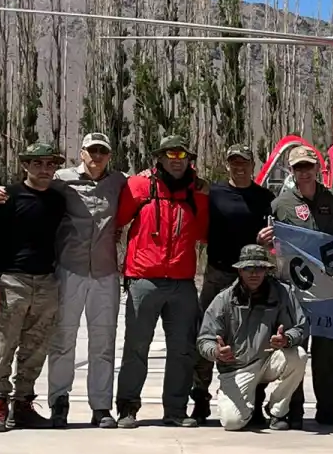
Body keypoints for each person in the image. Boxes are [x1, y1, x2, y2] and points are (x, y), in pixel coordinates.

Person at [0, 131, 126, 429]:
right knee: (61, 341)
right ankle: (58, 403)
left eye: (102, 151)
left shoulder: (119, 181)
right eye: (92, 151)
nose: (97, 156)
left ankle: (101, 407)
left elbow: (151, 182)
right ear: (82, 153)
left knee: (103, 343)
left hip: (104, 273)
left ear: (109, 156)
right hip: (68, 271)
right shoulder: (60, 179)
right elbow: (28, 187)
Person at [114, 135, 210, 429]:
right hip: (144, 279)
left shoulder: (198, 192)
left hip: (182, 282)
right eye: (170, 155)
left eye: (182, 156)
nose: (176, 161)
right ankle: (128, 408)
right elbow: (118, 220)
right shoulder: (139, 186)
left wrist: (201, 195)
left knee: (182, 349)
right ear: (160, 158)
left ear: (189, 160)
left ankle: (176, 411)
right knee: (136, 347)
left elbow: (203, 233)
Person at [0, 142, 68, 432]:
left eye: (50, 164)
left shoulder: (58, 200)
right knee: (3, 346)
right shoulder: (7, 197)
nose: (44, 169)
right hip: (10, 282)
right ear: (25, 165)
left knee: (36, 348)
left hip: (46, 282)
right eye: (37, 163)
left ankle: (23, 404)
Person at [190, 143, 275, 425]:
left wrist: (265, 242)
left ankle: (256, 403)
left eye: (244, 162)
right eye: (234, 162)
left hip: (252, 277)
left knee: (256, 340)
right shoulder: (212, 192)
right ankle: (200, 399)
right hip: (218, 274)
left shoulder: (265, 198)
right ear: (227, 164)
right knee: (207, 334)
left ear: (253, 165)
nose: (239, 167)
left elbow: (276, 237)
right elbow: (183, 183)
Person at [270, 145, 333, 428]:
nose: (304, 172)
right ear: (291, 171)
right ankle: (292, 410)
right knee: (295, 351)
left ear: (318, 168)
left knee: (328, 354)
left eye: (308, 166)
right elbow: (271, 245)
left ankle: (328, 409)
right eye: (298, 168)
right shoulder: (280, 204)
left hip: (329, 290)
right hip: (295, 291)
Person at [196, 244, 310, 431]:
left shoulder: (282, 293)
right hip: (237, 366)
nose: (254, 273)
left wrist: (287, 339)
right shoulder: (224, 299)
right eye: (248, 268)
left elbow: (301, 326)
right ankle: (239, 402)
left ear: (267, 270)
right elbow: (204, 339)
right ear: (240, 271)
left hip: (269, 360)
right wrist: (216, 352)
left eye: (259, 268)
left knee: (299, 356)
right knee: (233, 423)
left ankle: (277, 411)